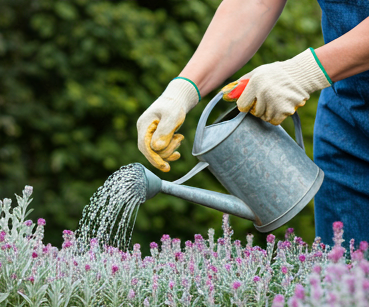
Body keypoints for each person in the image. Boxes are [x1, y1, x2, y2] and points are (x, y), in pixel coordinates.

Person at [137, 0, 369, 246]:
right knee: (347, 277)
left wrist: (305, 71)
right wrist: (182, 90)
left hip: (341, 92)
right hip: (347, 120)